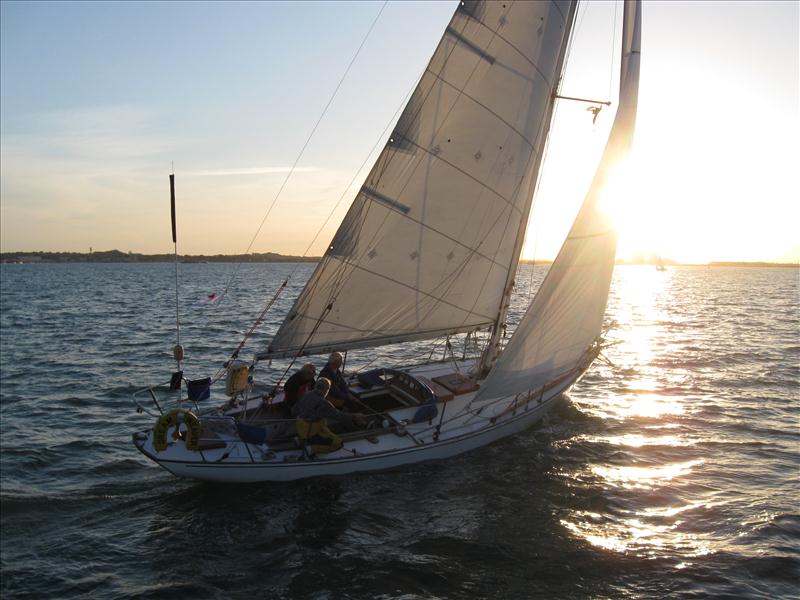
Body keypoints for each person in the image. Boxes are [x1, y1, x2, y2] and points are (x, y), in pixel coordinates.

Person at [292, 378, 363, 455]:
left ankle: (301, 439)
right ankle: (311, 449)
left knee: (324, 427)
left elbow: (294, 411)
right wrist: (355, 416)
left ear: (316, 386)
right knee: (338, 443)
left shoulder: (306, 395)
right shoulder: (324, 403)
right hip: (311, 432)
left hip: (300, 428)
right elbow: (339, 416)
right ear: (327, 389)